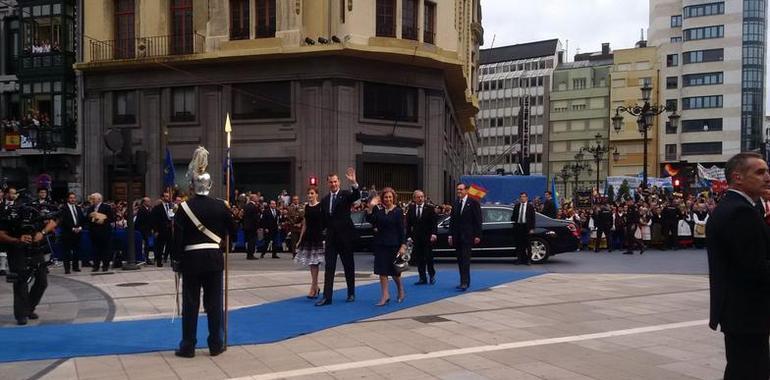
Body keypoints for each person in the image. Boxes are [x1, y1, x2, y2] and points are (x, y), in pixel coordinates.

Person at [706, 152, 770, 379]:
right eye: (760, 172)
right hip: (748, 311)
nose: (767, 177)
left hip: (739, 311)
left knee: (743, 368)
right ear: (738, 177)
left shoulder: (734, 207)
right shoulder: (740, 212)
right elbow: (755, 268)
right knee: (751, 370)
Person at [171, 147, 236, 358]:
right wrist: (222, 241)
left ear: (193, 186)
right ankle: (215, 344)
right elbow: (233, 231)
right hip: (214, 259)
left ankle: (188, 346)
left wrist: (176, 260)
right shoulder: (220, 206)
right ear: (210, 185)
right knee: (214, 304)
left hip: (190, 260)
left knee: (190, 305)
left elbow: (177, 239)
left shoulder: (184, 208)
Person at [0, 198, 57, 325]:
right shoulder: (9, 215)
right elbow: (1, 234)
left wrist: (42, 233)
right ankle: (21, 315)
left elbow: (52, 223)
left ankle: (29, 308)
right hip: (16, 250)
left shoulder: (36, 213)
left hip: (36, 249)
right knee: (21, 282)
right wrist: (17, 239)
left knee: (42, 281)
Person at [316, 168, 360, 306]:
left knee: (348, 266)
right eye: (331, 182)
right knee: (329, 268)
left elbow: (356, 196)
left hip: (345, 237)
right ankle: (327, 297)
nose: (333, 184)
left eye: (335, 181)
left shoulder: (346, 194)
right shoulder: (324, 200)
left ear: (339, 182)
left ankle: (351, 293)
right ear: (327, 183)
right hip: (331, 239)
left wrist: (354, 183)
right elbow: (323, 221)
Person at [366, 188, 407, 305]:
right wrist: (371, 206)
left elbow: (401, 230)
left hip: (394, 245)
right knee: (382, 271)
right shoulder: (379, 211)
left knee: (394, 272)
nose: (388, 199)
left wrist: (403, 245)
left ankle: (400, 289)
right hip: (380, 244)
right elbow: (371, 220)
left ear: (393, 198)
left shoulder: (398, 211)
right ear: (382, 199)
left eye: (390, 197)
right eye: (385, 197)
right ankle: (385, 295)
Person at [448, 183, 481, 291]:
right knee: (460, 260)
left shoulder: (473, 202)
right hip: (457, 236)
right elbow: (452, 221)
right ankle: (464, 280)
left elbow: (478, 220)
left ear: (466, 190)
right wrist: (450, 235)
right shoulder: (456, 203)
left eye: (461, 190)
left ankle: (464, 282)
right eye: (458, 190)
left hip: (468, 236)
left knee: (465, 259)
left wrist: (477, 235)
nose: (459, 192)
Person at [294, 187, 324, 298]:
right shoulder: (306, 207)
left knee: (315, 263)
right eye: (308, 193)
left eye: (312, 193)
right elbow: (305, 224)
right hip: (308, 237)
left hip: (318, 236)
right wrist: (300, 239)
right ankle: (315, 286)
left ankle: (314, 287)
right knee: (311, 263)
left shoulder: (321, 206)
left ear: (316, 194)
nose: (310, 195)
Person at [406, 190, 437, 285]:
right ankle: (422, 277)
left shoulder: (430, 208)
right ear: (414, 198)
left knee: (429, 258)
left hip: (428, 237)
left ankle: (432, 275)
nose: (420, 199)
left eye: (422, 197)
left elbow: (434, 223)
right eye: (418, 197)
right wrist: (408, 236)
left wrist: (434, 234)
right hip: (416, 237)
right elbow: (408, 224)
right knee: (419, 258)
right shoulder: (411, 208)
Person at [86, 193, 114, 272]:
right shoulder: (90, 208)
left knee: (105, 250)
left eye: (93, 199)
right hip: (94, 233)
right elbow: (87, 219)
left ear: (99, 199)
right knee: (95, 250)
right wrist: (90, 217)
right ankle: (96, 266)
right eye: (91, 199)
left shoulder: (107, 207)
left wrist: (103, 220)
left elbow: (111, 218)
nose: (92, 200)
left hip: (104, 232)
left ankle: (105, 266)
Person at [59, 192, 85, 274]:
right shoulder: (63, 208)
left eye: (74, 198)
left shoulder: (78, 208)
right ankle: (67, 268)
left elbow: (82, 219)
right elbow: (63, 221)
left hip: (77, 233)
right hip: (67, 233)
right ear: (68, 199)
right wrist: (72, 228)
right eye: (71, 198)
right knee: (67, 252)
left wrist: (80, 227)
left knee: (76, 251)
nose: (73, 199)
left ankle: (75, 267)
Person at [511, 192, 535, 265]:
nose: (522, 198)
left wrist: (532, 228)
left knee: (527, 244)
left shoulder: (530, 206)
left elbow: (533, 218)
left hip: (526, 227)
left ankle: (528, 260)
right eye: (521, 197)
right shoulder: (517, 206)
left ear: (526, 198)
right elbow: (513, 216)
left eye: (524, 197)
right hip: (518, 227)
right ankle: (519, 259)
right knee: (519, 244)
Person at [151, 192, 174, 267]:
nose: (168, 198)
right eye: (166, 196)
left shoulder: (171, 206)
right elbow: (154, 220)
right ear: (162, 197)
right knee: (160, 246)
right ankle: (159, 261)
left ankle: (172, 261)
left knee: (170, 246)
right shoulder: (157, 208)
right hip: (161, 230)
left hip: (170, 229)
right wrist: (156, 230)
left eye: (168, 196)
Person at [135, 197, 154, 265]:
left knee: (147, 245)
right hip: (143, 230)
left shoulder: (148, 209)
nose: (150, 202)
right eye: (148, 201)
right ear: (144, 202)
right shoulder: (142, 209)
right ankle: (145, 258)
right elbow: (139, 221)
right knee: (146, 245)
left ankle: (146, 258)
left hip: (147, 229)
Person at [242, 194, 260, 260]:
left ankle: (249, 254)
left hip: (247, 226)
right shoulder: (253, 206)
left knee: (249, 240)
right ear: (253, 198)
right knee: (252, 241)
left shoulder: (246, 206)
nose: (257, 198)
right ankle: (250, 255)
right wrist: (257, 227)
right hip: (252, 227)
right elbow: (255, 218)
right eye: (256, 197)